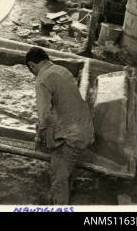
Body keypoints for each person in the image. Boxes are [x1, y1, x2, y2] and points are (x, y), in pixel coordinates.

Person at [25, 47, 94, 205]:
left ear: (32, 66)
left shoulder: (42, 79)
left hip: (73, 137)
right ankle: (68, 174)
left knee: (58, 180)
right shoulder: (61, 70)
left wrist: (39, 137)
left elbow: (45, 116)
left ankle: (60, 205)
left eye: (31, 70)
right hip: (86, 127)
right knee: (63, 161)